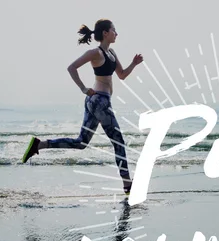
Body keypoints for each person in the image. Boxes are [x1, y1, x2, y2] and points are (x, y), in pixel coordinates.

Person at [22, 19, 143, 194]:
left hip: (98, 102)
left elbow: (122, 75)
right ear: (105, 33)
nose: (117, 33)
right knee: (118, 142)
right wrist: (83, 88)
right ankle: (127, 184)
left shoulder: (112, 53)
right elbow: (71, 67)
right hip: (98, 101)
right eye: (114, 30)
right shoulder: (96, 53)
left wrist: (134, 63)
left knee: (81, 143)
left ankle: (39, 145)